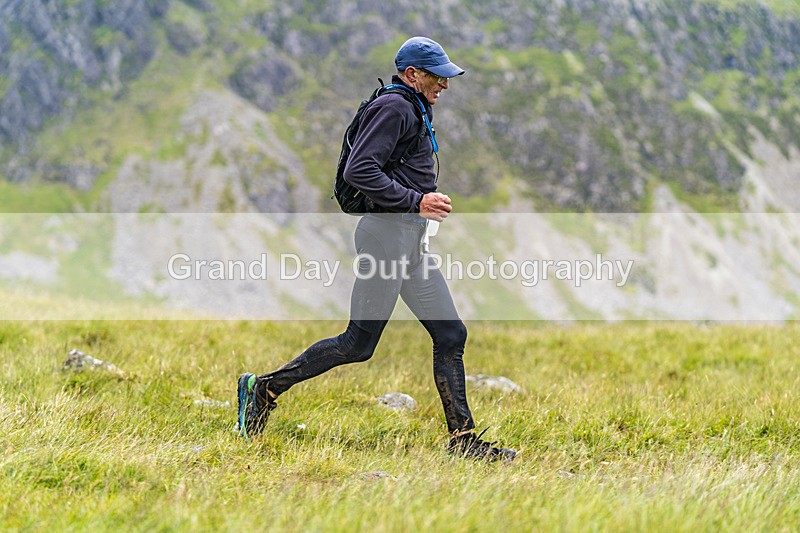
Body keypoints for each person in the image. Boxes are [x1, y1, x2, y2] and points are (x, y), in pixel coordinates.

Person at [237, 36, 516, 462]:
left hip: (409, 240)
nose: (445, 84)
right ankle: (263, 388)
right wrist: (416, 201)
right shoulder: (395, 107)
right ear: (413, 74)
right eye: (438, 76)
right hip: (386, 238)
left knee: (450, 333)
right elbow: (359, 169)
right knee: (357, 344)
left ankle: (463, 442)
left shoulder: (414, 107)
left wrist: (417, 209)